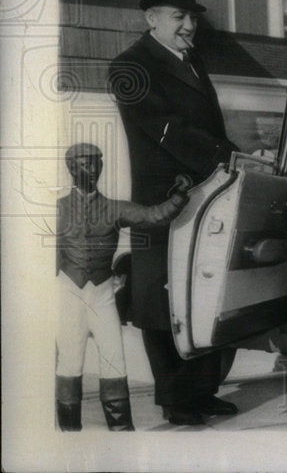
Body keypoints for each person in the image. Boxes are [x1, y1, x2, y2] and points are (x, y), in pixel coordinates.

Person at [108, 0, 240, 426]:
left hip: (206, 194)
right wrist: (225, 157)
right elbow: (166, 131)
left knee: (203, 293)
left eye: (192, 18)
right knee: (161, 301)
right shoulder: (129, 65)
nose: (189, 25)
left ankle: (202, 391)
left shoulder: (191, 59)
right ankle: (175, 399)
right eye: (179, 16)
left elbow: (210, 128)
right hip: (163, 201)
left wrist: (234, 157)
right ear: (152, 17)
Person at [55, 143, 190, 431]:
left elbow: (156, 215)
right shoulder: (58, 208)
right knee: (69, 364)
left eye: (95, 163)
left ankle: (122, 436)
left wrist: (179, 195)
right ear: (71, 168)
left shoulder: (115, 208)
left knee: (114, 361)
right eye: (83, 163)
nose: (91, 169)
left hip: (102, 295)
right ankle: (69, 437)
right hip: (67, 294)